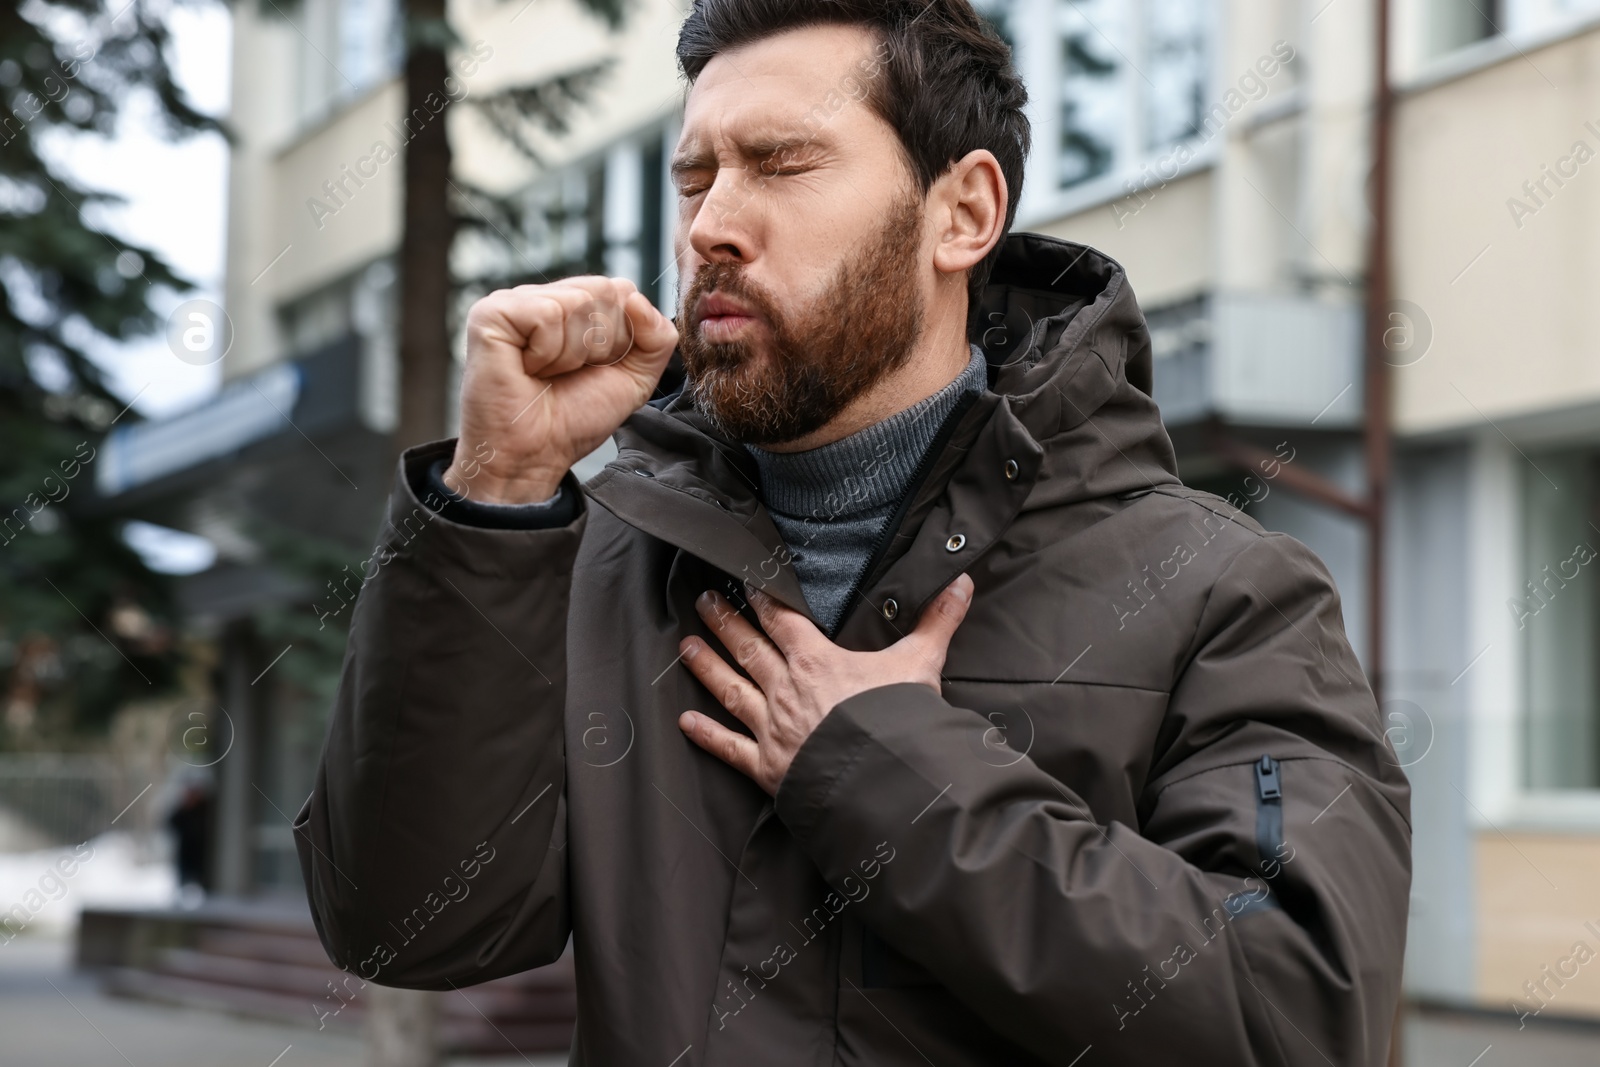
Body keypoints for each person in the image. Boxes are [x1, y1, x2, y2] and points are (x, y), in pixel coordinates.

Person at [295, 2, 1411, 1064]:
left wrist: (885, 764)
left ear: (962, 213)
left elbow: (1293, 1014)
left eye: (782, 163)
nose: (711, 226)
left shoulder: (1224, 590)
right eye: (695, 177)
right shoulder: (592, 563)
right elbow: (405, 928)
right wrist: (492, 495)